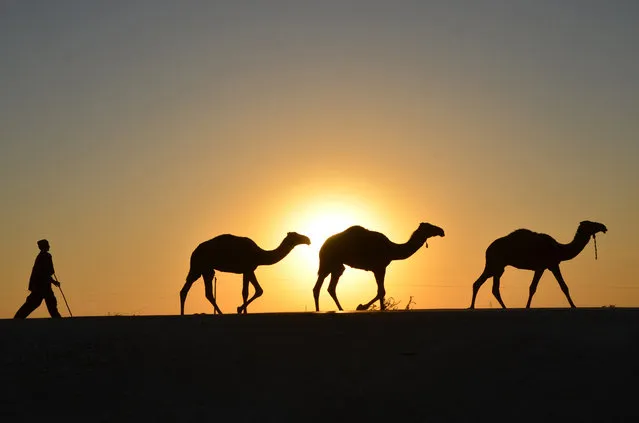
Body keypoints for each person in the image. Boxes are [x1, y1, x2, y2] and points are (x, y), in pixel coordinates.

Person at [14, 239, 62, 318]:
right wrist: (53, 282)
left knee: (49, 303)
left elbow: (46, 273)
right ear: (45, 246)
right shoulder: (46, 256)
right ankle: (17, 319)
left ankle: (17, 319)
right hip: (41, 286)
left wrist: (53, 281)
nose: (49, 246)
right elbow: (44, 273)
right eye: (47, 245)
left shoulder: (42, 256)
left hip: (42, 285)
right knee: (39, 303)